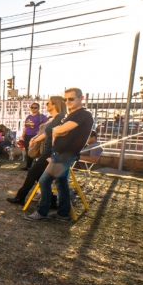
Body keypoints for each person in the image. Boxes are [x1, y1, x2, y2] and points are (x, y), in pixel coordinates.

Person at [26, 88, 94, 222]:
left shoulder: (83, 114)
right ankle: (63, 213)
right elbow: (56, 131)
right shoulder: (72, 115)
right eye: (65, 99)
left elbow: (60, 130)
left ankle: (42, 212)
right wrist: (58, 132)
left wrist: (58, 132)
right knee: (61, 182)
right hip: (61, 153)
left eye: (71, 99)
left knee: (44, 181)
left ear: (81, 99)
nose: (67, 101)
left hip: (64, 154)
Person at [7, 96, 66, 206]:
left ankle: (21, 197)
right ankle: (51, 200)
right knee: (40, 175)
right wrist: (35, 139)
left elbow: (54, 134)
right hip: (46, 149)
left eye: (48, 103)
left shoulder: (60, 117)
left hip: (51, 151)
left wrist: (36, 140)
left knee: (33, 172)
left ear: (55, 104)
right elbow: (45, 133)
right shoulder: (53, 117)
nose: (46, 105)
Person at [21, 102, 47, 170]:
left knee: (36, 151)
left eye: (35, 107)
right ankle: (28, 166)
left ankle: (38, 166)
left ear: (38, 108)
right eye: (32, 107)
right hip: (27, 135)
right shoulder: (28, 117)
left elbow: (47, 124)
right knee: (28, 151)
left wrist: (41, 131)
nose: (33, 109)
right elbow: (25, 127)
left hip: (35, 136)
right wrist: (22, 135)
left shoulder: (41, 116)